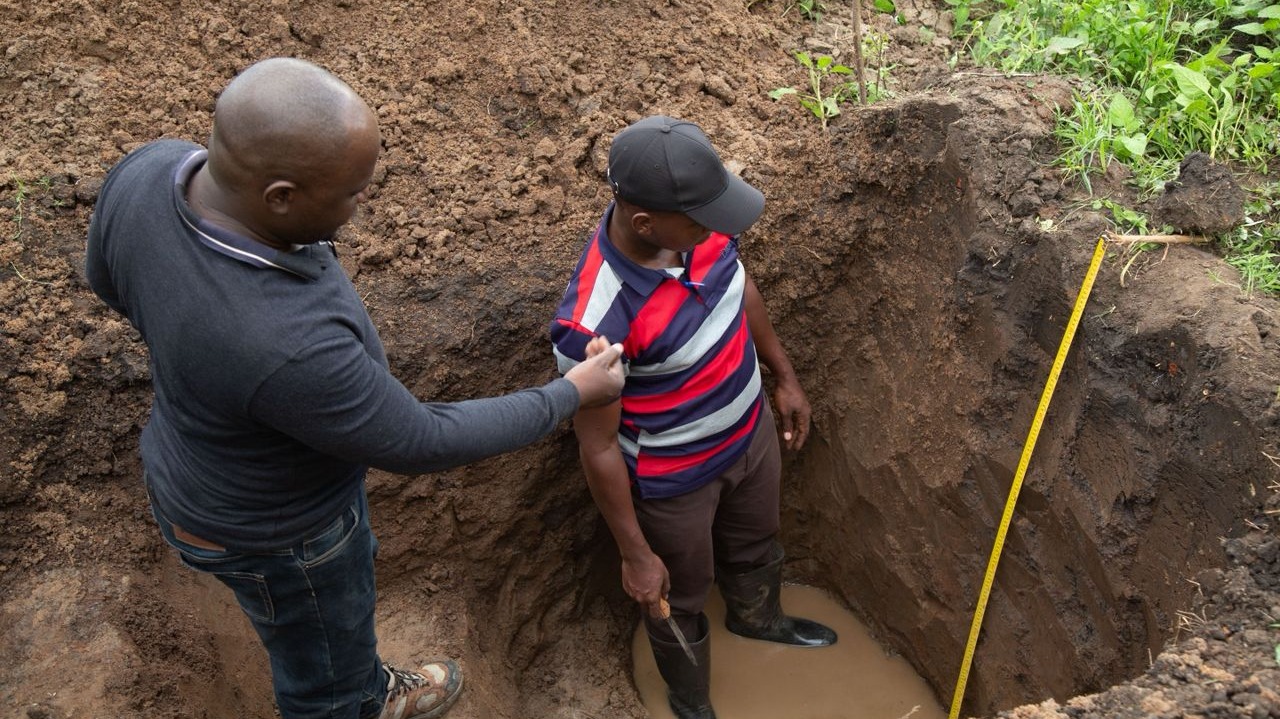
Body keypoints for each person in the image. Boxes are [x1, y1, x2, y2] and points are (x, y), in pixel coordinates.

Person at [85, 57, 625, 719]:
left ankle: (357, 679)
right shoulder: (283, 342)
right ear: (279, 196)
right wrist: (571, 392)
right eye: (350, 193)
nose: (363, 202)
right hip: (284, 536)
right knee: (325, 679)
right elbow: (421, 440)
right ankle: (355, 700)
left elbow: (107, 279)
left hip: (189, 469)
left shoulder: (149, 173)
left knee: (327, 641)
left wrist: (200, 358)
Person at [549, 115, 837, 719]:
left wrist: (783, 375)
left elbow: (739, 289)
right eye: (701, 220)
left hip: (750, 435)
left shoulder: (697, 231)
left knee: (756, 540)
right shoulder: (594, 321)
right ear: (645, 224)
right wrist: (634, 554)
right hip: (674, 480)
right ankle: (690, 698)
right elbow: (597, 447)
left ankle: (758, 620)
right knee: (676, 591)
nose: (716, 229)